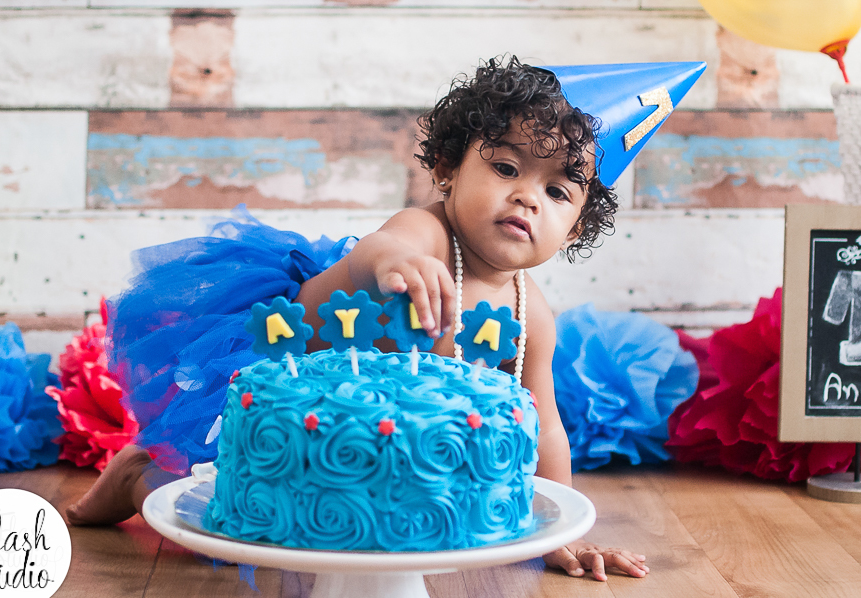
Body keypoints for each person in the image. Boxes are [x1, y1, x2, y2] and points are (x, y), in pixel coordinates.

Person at [67, 55, 650, 581]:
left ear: (574, 228)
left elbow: (542, 421)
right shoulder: (424, 233)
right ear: (447, 169)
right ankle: (140, 474)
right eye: (505, 168)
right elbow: (382, 246)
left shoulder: (531, 313)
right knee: (225, 536)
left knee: (375, 525)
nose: (528, 197)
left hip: (367, 451)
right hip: (289, 380)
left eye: (557, 192)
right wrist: (397, 261)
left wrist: (560, 531)